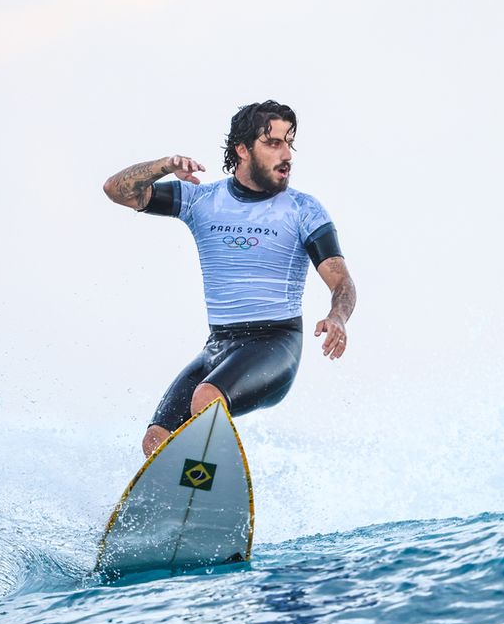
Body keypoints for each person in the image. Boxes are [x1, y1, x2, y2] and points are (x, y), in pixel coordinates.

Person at [102, 100, 357, 456]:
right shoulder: (202, 200)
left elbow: (341, 281)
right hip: (219, 346)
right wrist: (164, 165)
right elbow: (117, 190)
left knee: (206, 398)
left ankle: (208, 487)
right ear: (242, 149)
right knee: (156, 439)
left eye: (289, 143)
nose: (286, 154)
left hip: (276, 343)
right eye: (273, 143)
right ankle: (182, 501)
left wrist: (337, 316)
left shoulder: (304, 210)